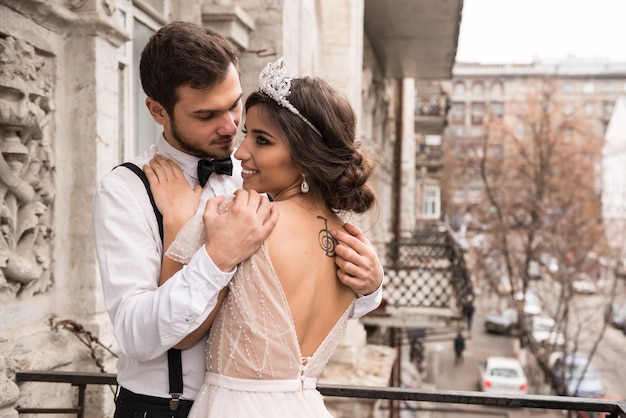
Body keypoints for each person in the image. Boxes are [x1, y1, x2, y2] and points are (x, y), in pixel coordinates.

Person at [92, 21, 384, 417]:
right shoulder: (125, 190)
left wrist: (370, 286)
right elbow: (136, 336)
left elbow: (284, 298)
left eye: (233, 106)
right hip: (162, 407)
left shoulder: (258, 172)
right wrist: (210, 255)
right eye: (208, 114)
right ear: (158, 110)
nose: (230, 128)